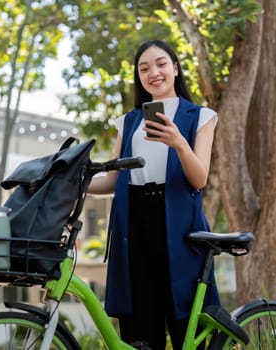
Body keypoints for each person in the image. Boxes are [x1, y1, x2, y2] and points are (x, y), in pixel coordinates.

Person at [88, 39, 219, 350]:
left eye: (161, 64)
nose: (153, 73)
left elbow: (199, 179)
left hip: (180, 226)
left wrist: (178, 142)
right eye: (144, 68)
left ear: (175, 68)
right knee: (139, 330)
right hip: (133, 227)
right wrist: (74, 184)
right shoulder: (129, 121)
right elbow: (113, 180)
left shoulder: (201, 116)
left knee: (186, 321)